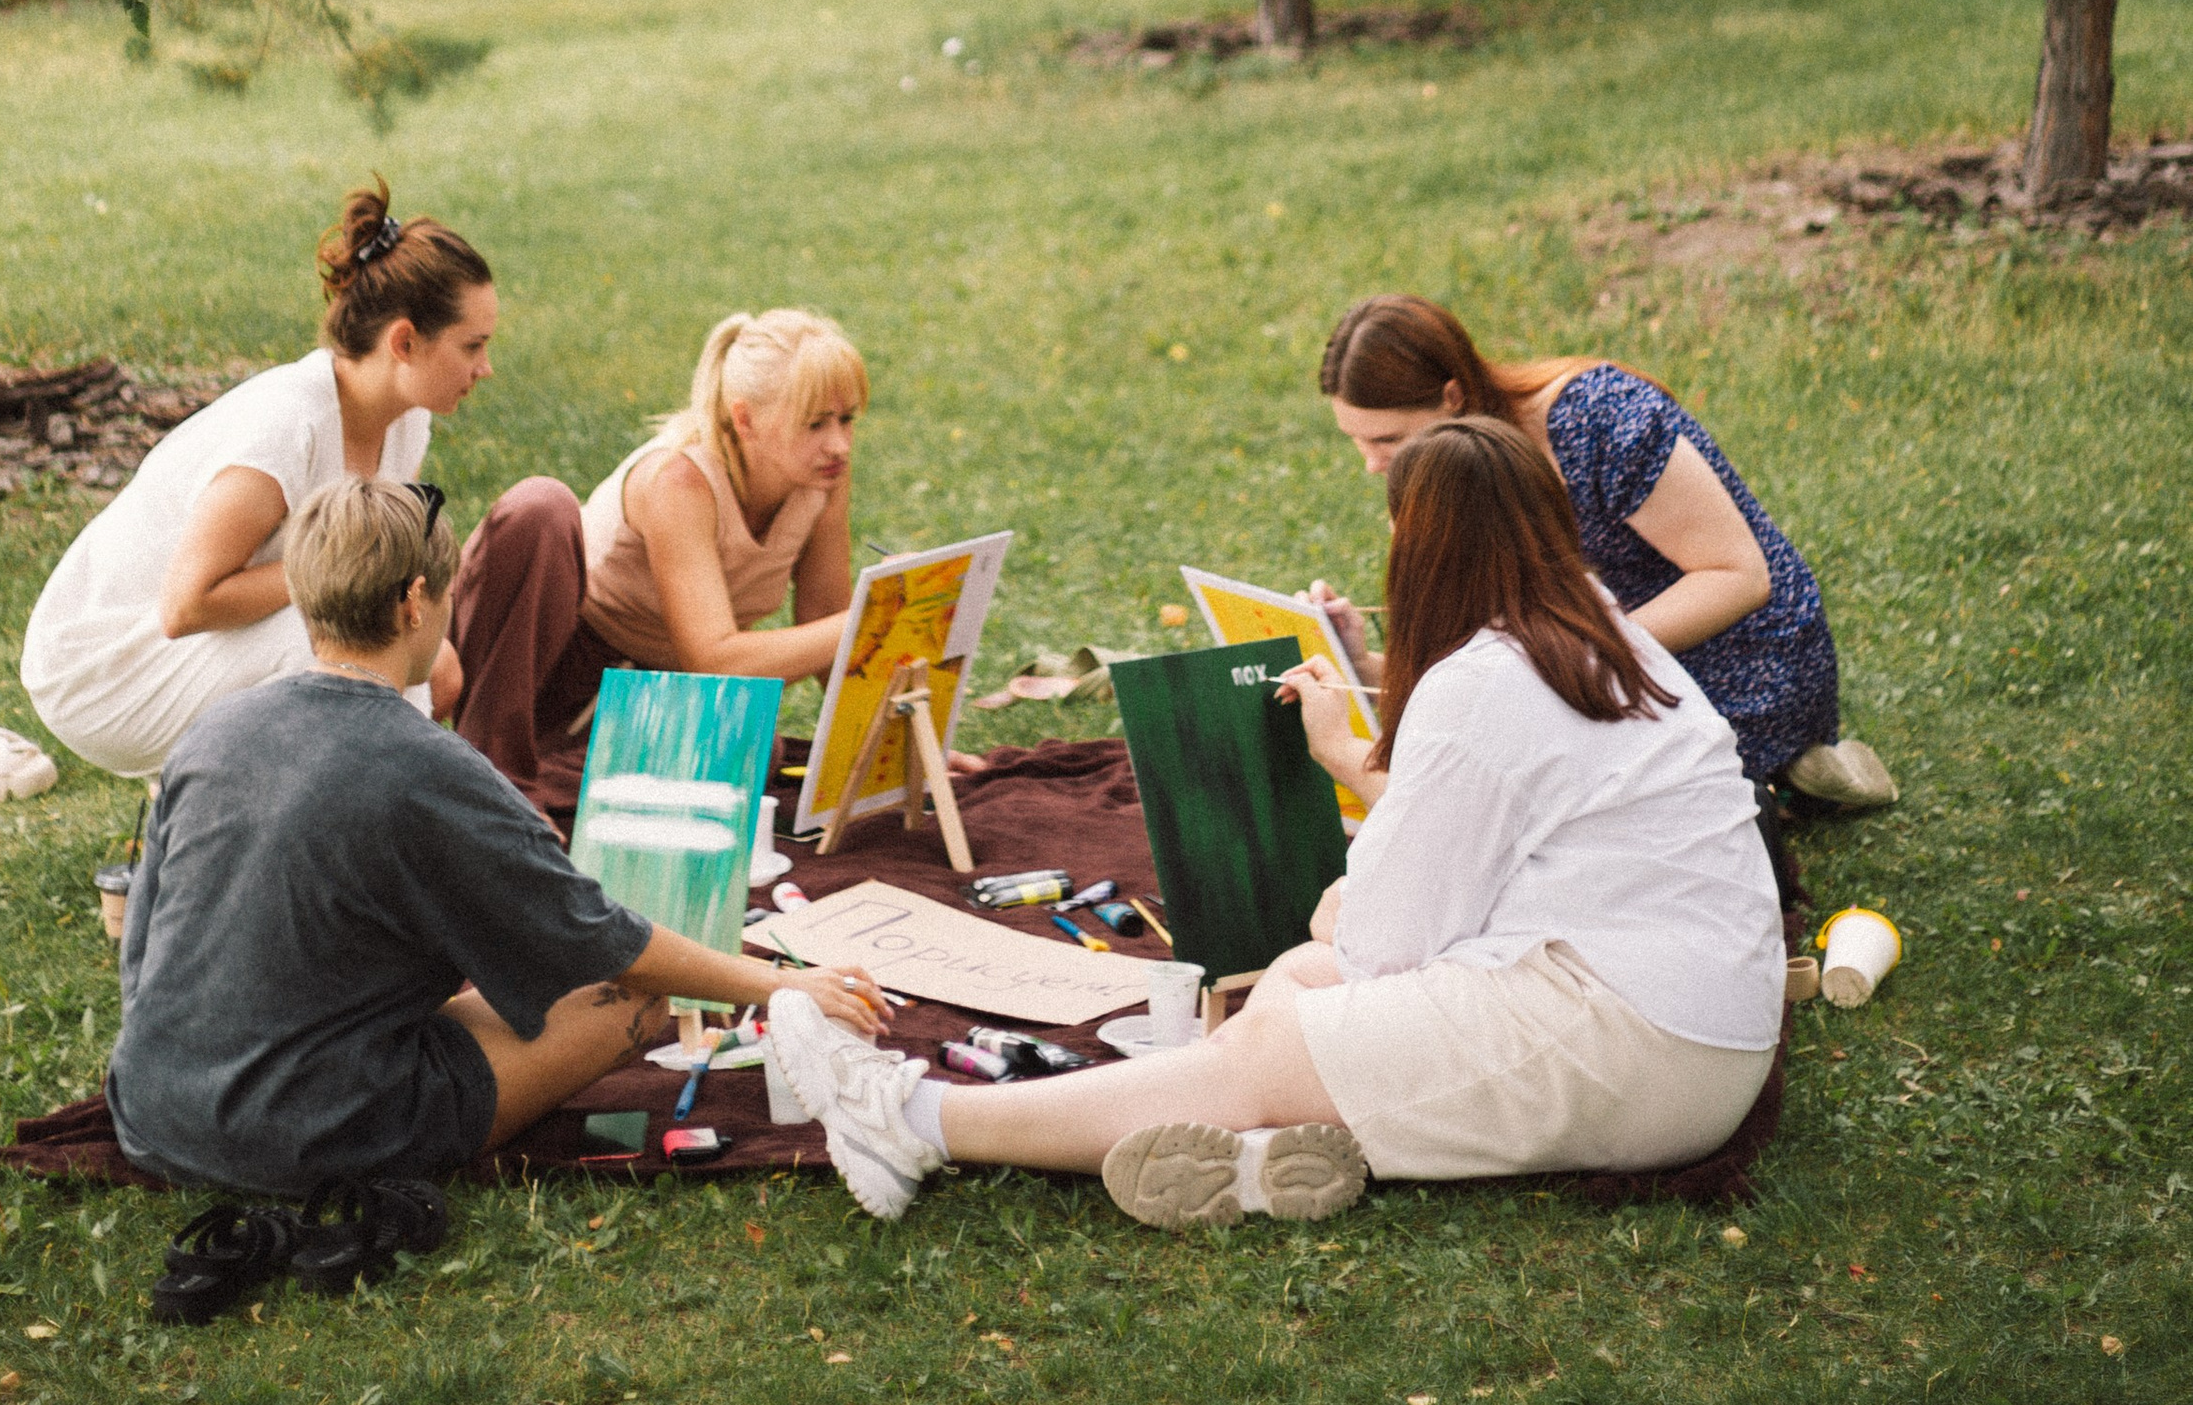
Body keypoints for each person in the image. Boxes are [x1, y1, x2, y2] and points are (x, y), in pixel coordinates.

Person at [768, 416, 1789, 1228]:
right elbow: (1485, 859)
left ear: (1417, 543)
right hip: (1688, 1013)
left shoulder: (1485, 685)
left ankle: (917, 1119)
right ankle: (1251, 1161)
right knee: (1298, 987)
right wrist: (1354, 805)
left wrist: (1341, 899)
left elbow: (1389, 936)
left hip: (1647, 1046)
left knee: (1287, 1014)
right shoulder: (1605, 630)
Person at [107, 477, 885, 1197]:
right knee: (634, 998)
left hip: (151, 1108)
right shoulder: (429, 766)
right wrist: (783, 983)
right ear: (416, 602)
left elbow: (140, 944)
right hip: (311, 1135)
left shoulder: (212, 730)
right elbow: (604, 941)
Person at [1310, 293, 1890, 807]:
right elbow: (1492, 642)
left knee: (1528, 775)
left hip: (1744, 655)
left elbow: (1739, 576)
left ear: (1453, 396)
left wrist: (1571, 654)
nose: (1371, 463)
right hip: (1601, 646)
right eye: (1356, 441)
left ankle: (1781, 762)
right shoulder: (1456, 470)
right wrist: (1368, 666)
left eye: (1387, 439)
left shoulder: (1600, 419)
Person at [20, 185, 492, 779]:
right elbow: (186, 605)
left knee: (434, 668)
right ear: (404, 342)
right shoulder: (288, 423)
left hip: (200, 640)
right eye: (472, 346)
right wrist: (344, 571)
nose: (485, 366)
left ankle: (333, 817)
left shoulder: (406, 422)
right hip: (105, 667)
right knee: (354, 651)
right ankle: (368, 824)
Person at [447, 307, 864, 808]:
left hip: (656, 689)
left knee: (756, 745)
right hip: (559, 668)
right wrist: (861, 621)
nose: (838, 443)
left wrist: (896, 744)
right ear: (745, 419)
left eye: (847, 419)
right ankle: (499, 784)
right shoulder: (679, 481)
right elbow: (715, 660)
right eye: (815, 423)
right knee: (736, 749)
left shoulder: (821, 477)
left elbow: (824, 620)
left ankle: (533, 789)